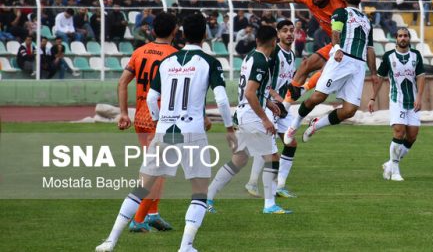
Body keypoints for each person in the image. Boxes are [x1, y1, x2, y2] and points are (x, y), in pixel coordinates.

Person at [96, 13, 234, 252]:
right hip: (192, 130)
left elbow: (151, 97)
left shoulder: (167, 63)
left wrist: (161, 121)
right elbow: (221, 100)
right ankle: (186, 246)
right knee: (200, 192)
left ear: (182, 34)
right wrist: (230, 128)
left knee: (140, 187)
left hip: (164, 131)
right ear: (204, 35)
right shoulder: (210, 62)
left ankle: (111, 240)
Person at [206, 24, 291, 214]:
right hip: (252, 116)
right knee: (272, 157)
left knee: (240, 159)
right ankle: (269, 205)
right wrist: (265, 119)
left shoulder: (251, 57)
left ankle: (207, 197)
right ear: (274, 41)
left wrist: (269, 104)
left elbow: (255, 92)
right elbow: (250, 93)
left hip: (244, 113)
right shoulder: (261, 61)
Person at [286, 0, 379, 144]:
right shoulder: (341, 12)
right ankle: (294, 124)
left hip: (359, 66)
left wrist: (374, 72)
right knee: (318, 97)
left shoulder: (366, 20)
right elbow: (335, 32)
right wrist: (336, 49)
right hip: (342, 59)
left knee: (350, 110)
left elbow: (370, 48)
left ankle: (317, 124)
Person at [115, 12, 180, 233]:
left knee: (158, 168)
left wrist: (124, 113)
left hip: (141, 117)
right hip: (162, 119)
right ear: (174, 31)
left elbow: (122, 82)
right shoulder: (175, 56)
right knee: (158, 169)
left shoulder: (139, 52)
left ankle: (152, 214)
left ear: (152, 30)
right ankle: (139, 219)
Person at [249, 0, 345, 100]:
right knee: (305, 65)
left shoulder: (338, 6)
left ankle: (304, 90)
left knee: (322, 83)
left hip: (347, 45)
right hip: (334, 43)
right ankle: (286, 104)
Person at [245, 20, 299, 199]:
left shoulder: (291, 54)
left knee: (290, 142)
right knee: (267, 146)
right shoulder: (273, 53)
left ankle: (280, 185)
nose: (289, 34)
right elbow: (261, 82)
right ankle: (252, 183)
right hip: (270, 104)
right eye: (284, 31)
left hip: (282, 107)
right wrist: (275, 97)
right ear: (277, 35)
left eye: (292, 30)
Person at [369, 27, 426, 182]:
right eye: (400, 35)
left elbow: (421, 77)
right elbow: (380, 79)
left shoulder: (416, 55)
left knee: (412, 136)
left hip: (413, 100)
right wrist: (372, 98)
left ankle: (389, 164)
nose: (403, 38)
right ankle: (395, 171)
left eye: (405, 36)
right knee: (399, 132)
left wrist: (419, 97)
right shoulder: (389, 56)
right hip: (397, 100)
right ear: (396, 38)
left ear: (409, 38)